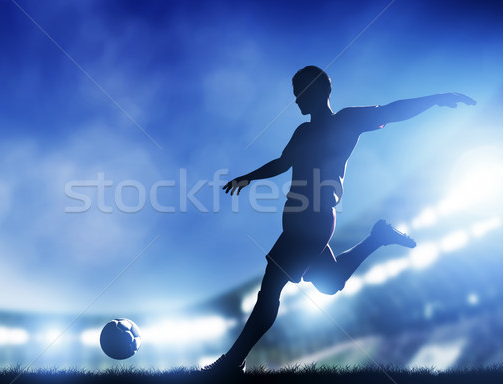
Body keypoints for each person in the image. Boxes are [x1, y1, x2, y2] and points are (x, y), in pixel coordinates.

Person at [204, 66, 476, 374]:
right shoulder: (302, 132)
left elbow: (392, 111)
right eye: (294, 95)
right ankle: (378, 238)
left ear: (320, 90)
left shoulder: (347, 121)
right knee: (330, 281)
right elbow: (283, 162)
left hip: (314, 219)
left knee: (271, 287)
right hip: (297, 220)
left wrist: (436, 98)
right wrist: (249, 178)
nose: (296, 102)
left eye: (301, 93)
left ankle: (230, 363)